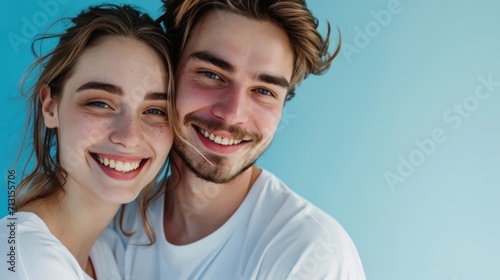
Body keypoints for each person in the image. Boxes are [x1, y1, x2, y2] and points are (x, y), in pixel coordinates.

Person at [116, 0, 366, 279]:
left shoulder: (308, 254)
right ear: (169, 73)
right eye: (211, 74)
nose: (233, 114)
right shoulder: (115, 219)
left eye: (264, 91)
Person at [0, 4, 174, 280]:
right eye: (100, 103)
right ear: (50, 107)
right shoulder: (25, 259)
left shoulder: (103, 251)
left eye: (155, 111)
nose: (129, 138)